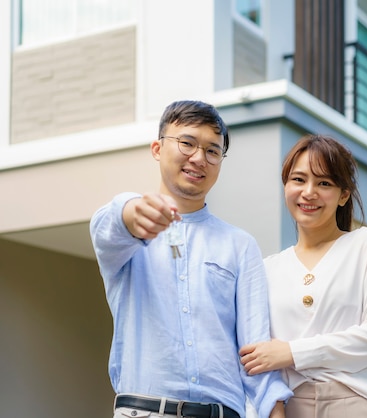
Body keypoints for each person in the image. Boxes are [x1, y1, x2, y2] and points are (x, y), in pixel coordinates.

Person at [90, 100, 292, 418]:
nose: (199, 158)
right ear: (157, 148)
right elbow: (108, 225)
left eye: (213, 151)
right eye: (187, 143)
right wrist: (134, 211)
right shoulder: (127, 232)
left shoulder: (240, 245)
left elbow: (256, 353)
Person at [239, 134, 367, 418]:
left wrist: (293, 353)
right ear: (286, 187)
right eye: (299, 180)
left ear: (343, 195)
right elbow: (255, 358)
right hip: (289, 406)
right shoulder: (266, 269)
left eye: (324, 183)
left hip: (355, 402)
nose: (309, 192)